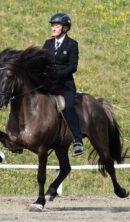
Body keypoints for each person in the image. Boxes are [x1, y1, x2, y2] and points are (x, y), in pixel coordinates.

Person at [43, 13, 84, 157]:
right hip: (48, 83)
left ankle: (78, 141)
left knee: (68, 107)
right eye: (53, 25)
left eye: (56, 26)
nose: (53, 28)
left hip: (65, 84)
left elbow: (73, 67)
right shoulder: (47, 44)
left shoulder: (72, 45)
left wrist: (57, 74)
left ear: (65, 28)